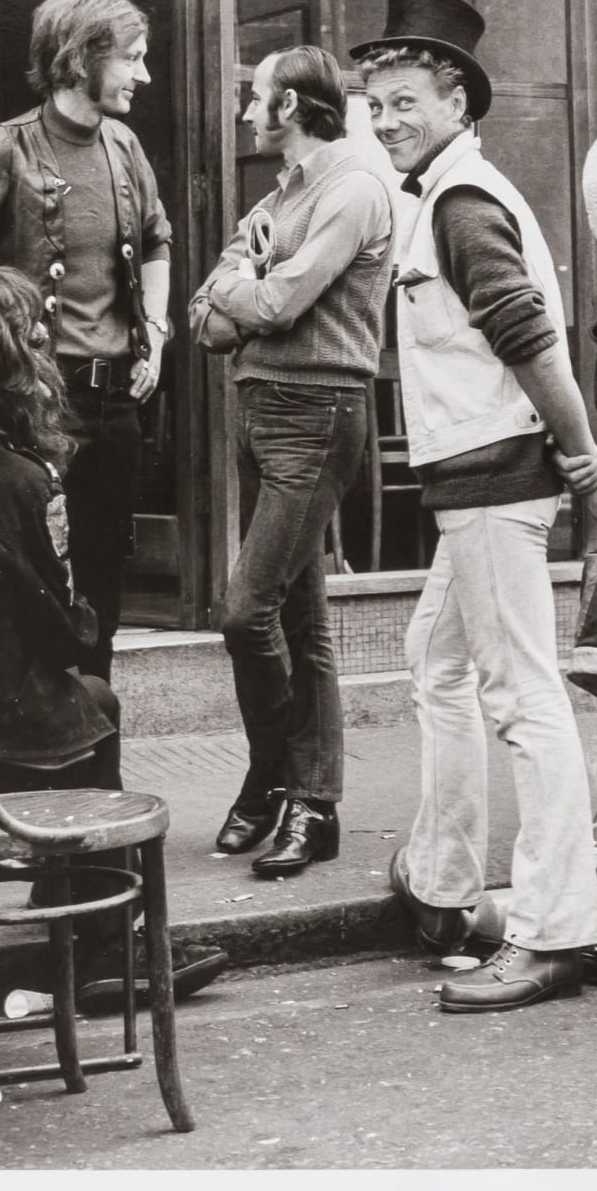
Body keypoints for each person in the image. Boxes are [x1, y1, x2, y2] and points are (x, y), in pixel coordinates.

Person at [353, 0, 597, 1014]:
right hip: (472, 482)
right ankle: (443, 883)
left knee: (524, 696)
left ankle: (554, 927)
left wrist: (581, 457)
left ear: (458, 104)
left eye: (407, 102)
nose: (387, 119)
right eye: (375, 103)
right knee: (436, 663)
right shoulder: (439, 195)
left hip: (493, 482)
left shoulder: (464, 204)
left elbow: (529, 341)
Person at [0, 267, 224, 1009]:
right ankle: (105, 943)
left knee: (77, 699)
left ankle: (77, 918)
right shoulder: (20, 480)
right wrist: (81, 620)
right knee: (94, 697)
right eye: (36, 343)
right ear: (10, 377)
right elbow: (67, 632)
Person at [0, 0, 173, 685]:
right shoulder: (4, 150)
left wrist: (156, 326)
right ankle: (32, 755)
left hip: (114, 405)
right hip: (31, 411)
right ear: (81, 58)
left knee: (101, 583)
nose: (143, 76)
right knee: (32, 582)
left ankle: (93, 746)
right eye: (133, 59)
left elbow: (156, 243)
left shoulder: (124, 145)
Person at [190, 46, 394, 877]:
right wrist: (242, 294)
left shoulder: (353, 187)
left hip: (318, 410)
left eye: (256, 98)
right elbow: (205, 320)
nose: (246, 112)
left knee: (247, 611)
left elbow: (274, 299)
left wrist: (245, 287)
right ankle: (309, 802)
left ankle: (277, 776)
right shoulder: (278, 196)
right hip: (260, 406)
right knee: (300, 622)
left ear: (295, 106)